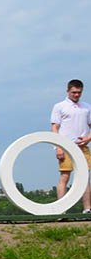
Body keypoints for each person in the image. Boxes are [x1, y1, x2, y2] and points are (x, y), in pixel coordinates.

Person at [50, 79, 91, 212]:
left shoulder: (87, 107)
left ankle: (87, 208)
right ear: (68, 91)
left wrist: (88, 138)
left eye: (79, 92)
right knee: (65, 176)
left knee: (85, 177)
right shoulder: (59, 106)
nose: (76, 95)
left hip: (82, 147)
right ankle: (61, 209)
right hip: (65, 146)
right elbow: (55, 127)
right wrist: (58, 147)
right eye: (74, 92)